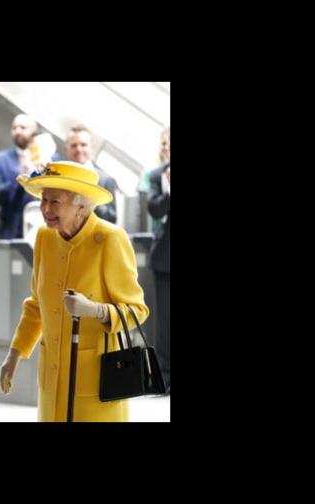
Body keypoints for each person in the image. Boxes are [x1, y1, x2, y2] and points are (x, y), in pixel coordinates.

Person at [0, 161, 148, 422]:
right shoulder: (45, 237)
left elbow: (137, 311)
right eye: (44, 200)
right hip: (51, 379)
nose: (45, 209)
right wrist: (14, 354)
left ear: (81, 205)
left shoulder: (110, 239)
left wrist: (95, 310)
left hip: (95, 380)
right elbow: (36, 305)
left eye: (55, 202)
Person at [0, 114, 60, 239]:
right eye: (14, 128)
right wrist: (21, 176)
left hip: (46, 224)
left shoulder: (51, 158)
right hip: (12, 227)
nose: (17, 131)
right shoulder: (1, 159)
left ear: (33, 131)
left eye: (23, 127)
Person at [147, 127, 170, 395]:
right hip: (164, 257)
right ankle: (165, 378)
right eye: (165, 142)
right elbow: (154, 208)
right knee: (165, 324)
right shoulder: (156, 176)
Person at [64, 124, 118, 224]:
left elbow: (111, 218)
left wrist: (88, 199)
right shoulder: (59, 179)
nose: (79, 149)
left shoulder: (106, 180)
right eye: (73, 145)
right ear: (67, 149)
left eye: (83, 145)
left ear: (92, 148)